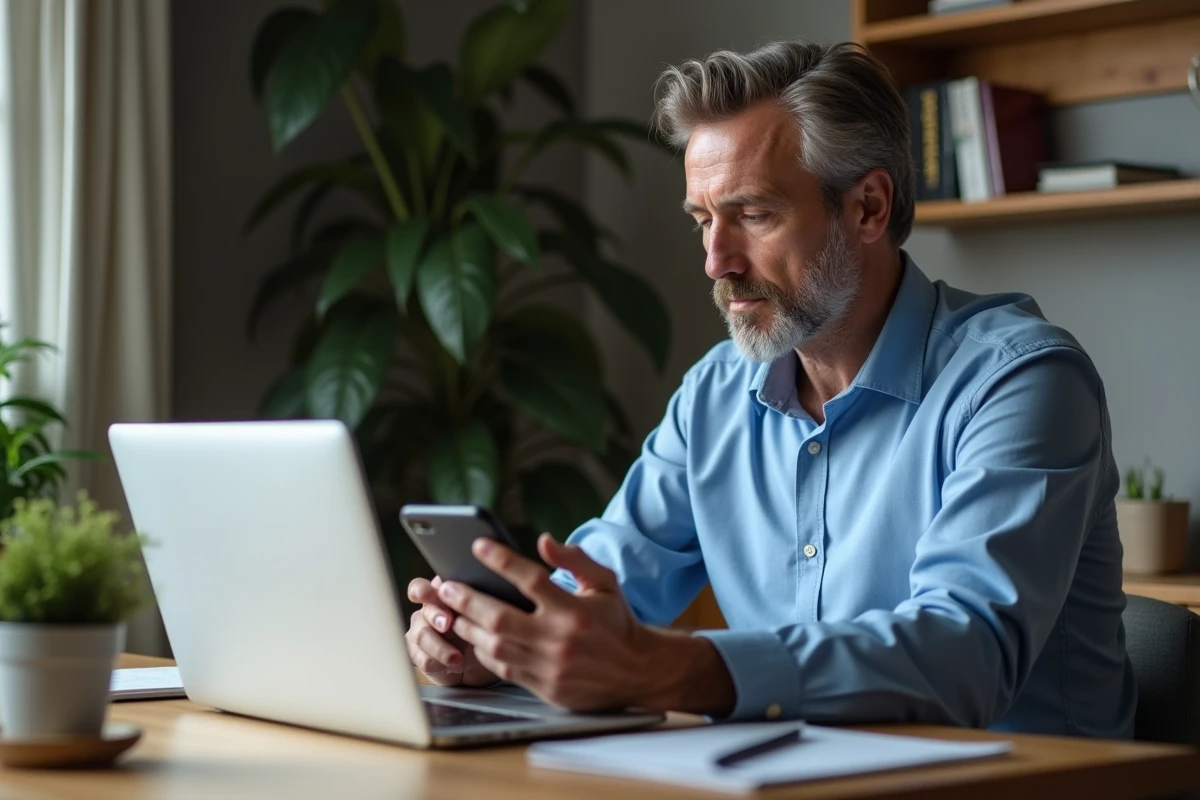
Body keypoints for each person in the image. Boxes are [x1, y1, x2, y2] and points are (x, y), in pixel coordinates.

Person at [404, 40, 1136, 737]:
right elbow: (606, 580)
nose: (716, 262)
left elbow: (965, 654)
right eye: (702, 220)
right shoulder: (715, 395)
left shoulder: (1020, 382)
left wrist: (675, 667)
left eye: (753, 215)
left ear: (869, 208)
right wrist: (492, 639)